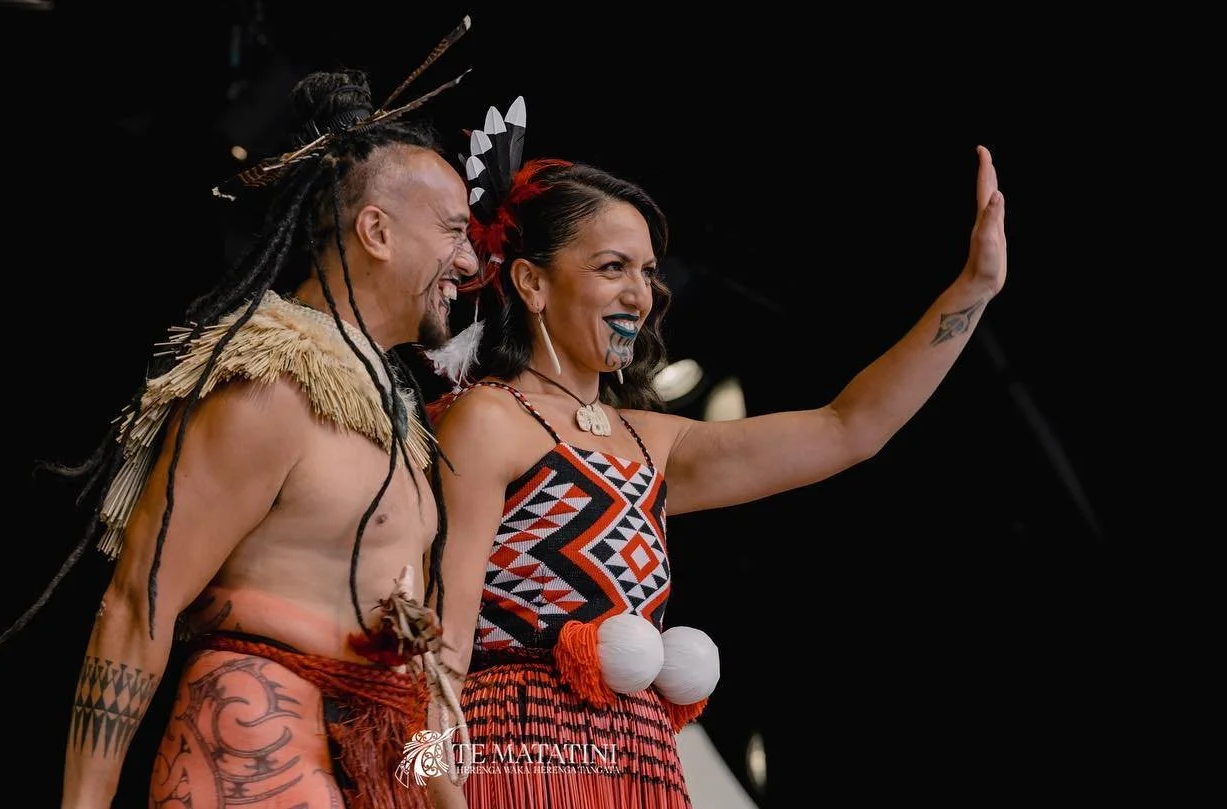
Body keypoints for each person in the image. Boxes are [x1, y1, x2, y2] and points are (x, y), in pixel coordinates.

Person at [425, 116, 1007, 806]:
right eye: (612, 267)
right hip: (518, 760)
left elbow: (851, 427)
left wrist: (971, 291)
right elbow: (441, 651)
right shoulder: (490, 419)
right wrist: (438, 791)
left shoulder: (654, 443)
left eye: (645, 270)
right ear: (532, 282)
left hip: (640, 767)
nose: (640, 293)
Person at [0, 26, 487, 808]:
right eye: (454, 231)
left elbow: (415, 678)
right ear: (376, 231)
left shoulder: (398, 427)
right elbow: (137, 598)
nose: (470, 263)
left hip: (373, 758)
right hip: (258, 740)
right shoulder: (270, 383)